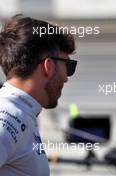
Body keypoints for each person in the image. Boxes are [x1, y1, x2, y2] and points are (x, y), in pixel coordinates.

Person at [0, 14, 77, 176]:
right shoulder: (8, 117)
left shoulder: (21, 111)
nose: (66, 78)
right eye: (68, 66)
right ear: (48, 66)